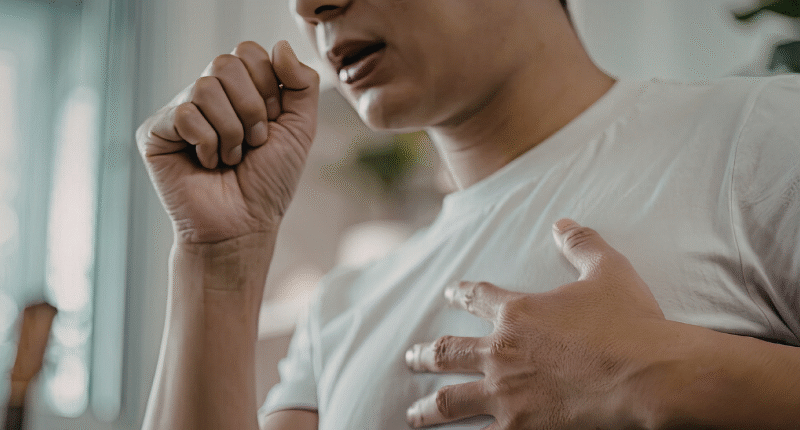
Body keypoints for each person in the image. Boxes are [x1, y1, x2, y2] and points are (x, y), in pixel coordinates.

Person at [136, 0, 800, 428]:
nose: (312, 6)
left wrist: (659, 374)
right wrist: (217, 260)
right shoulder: (343, 307)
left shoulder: (761, 132)